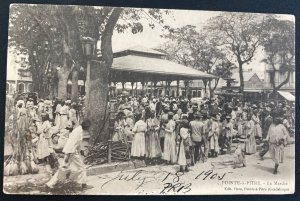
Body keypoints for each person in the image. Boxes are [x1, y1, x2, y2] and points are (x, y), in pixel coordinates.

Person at [46, 119, 91, 189]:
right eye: (88, 127)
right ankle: (83, 185)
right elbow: (72, 144)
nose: (88, 128)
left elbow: (76, 144)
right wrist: (67, 155)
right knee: (80, 168)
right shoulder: (79, 132)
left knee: (64, 168)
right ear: (86, 126)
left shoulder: (78, 129)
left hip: (72, 151)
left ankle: (51, 183)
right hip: (71, 152)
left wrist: (80, 151)